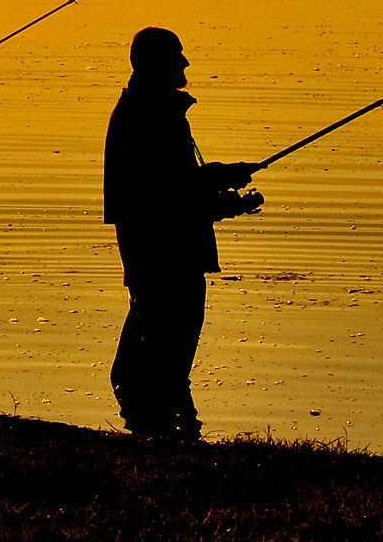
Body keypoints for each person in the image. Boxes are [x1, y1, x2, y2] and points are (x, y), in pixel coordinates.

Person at [103, 27, 265, 439]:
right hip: (166, 257)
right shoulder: (151, 115)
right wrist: (222, 196)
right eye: (177, 56)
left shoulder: (150, 109)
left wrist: (222, 186)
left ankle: (150, 428)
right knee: (167, 356)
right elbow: (165, 197)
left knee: (146, 355)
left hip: (155, 253)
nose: (185, 63)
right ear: (155, 63)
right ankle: (175, 437)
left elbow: (176, 187)